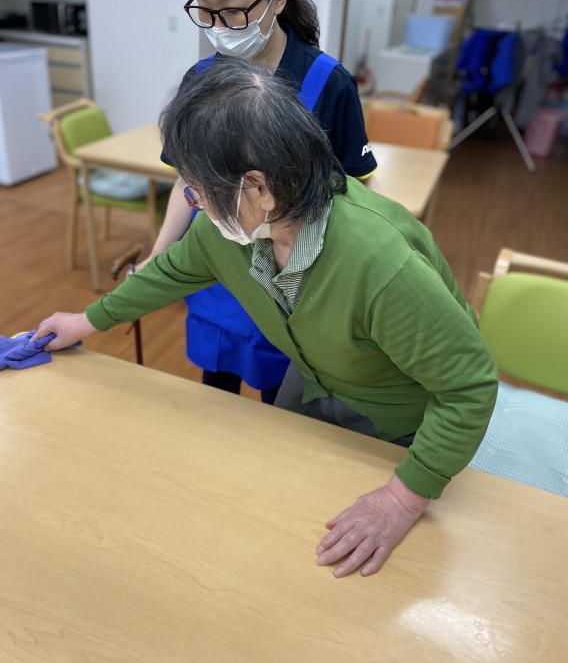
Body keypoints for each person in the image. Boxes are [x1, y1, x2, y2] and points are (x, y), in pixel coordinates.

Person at [34, 60, 498, 578]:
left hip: (396, 419)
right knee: (272, 519)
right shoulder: (230, 230)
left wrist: (401, 499)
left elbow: (469, 387)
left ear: (259, 188)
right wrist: (87, 321)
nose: (194, 203)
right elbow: (169, 271)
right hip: (316, 379)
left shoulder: (380, 264)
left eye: (197, 189)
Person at [140, 0, 378, 404]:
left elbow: (359, 189)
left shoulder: (327, 83)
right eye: (205, 10)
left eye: (232, 10)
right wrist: (157, 258)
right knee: (216, 402)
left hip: (295, 284)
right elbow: (189, 185)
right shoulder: (200, 80)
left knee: (281, 407)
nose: (219, 26)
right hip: (217, 275)